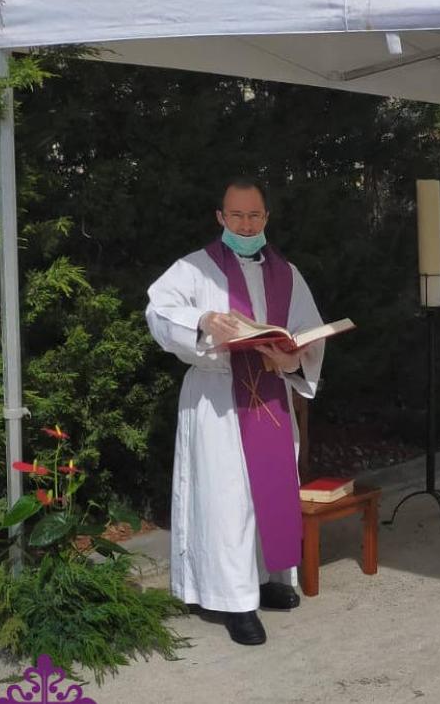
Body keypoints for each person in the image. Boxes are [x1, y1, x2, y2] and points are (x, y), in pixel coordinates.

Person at [145, 177, 326, 645]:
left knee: (269, 490)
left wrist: (292, 358)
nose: (245, 224)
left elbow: (309, 332)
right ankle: (233, 600)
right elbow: (159, 312)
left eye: (254, 215)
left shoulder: (287, 273)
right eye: (236, 215)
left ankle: (267, 579)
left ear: (266, 218)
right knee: (227, 498)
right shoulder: (194, 268)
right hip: (218, 398)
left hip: (268, 392)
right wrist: (203, 321)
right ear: (220, 217)